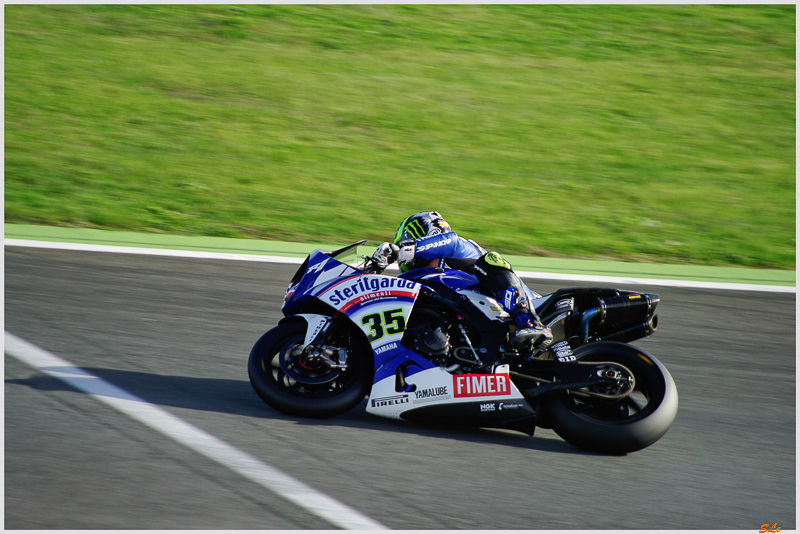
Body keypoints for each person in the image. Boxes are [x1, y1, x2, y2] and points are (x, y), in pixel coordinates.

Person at [371, 211, 552, 349]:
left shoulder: (459, 249)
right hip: (490, 331)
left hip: (538, 307)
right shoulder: (429, 282)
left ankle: (529, 321)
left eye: (405, 241)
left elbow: (450, 241)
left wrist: (401, 250)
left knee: (490, 260)